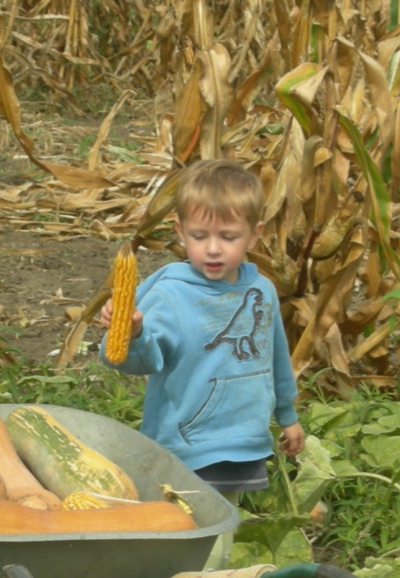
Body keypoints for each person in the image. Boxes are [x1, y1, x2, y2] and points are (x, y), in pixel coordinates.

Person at [99, 159, 305, 569]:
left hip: (242, 440)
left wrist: (288, 414)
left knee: (219, 538)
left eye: (228, 237)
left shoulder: (261, 290)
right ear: (180, 233)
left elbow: (275, 357)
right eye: (199, 235)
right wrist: (133, 333)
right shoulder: (170, 294)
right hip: (186, 445)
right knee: (189, 541)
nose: (213, 248)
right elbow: (135, 360)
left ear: (254, 234)